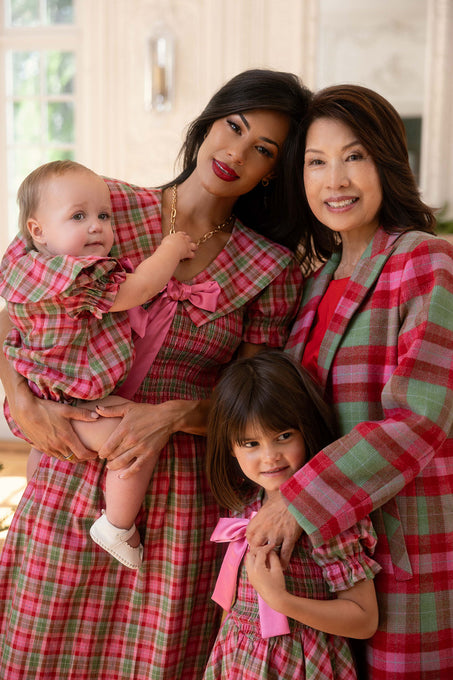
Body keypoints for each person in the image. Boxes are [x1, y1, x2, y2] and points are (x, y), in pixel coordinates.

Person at [0, 69, 311, 680]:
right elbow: (18, 303)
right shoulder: (103, 207)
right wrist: (23, 403)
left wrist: (168, 414)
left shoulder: (272, 268)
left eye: (263, 150)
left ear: (273, 172)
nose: (236, 153)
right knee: (39, 649)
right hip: (74, 466)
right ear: (208, 123)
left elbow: (249, 404)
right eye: (233, 127)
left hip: (183, 499)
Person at [245, 84, 453, 679]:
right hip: (327, 561)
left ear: (387, 161)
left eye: (354, 156)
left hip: (402, 544)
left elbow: (421, 419)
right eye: (317, 162)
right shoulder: (315, 284)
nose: (334, 179)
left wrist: (297, 500)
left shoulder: (425, 260)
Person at [0, 159, 197, 569]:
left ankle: (33, 500)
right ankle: (117, 526)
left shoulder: (29, 271)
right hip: (69, 401)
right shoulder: (74, 276)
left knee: (47, 451)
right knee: (131, 447)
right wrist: (171, 249)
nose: (96, 226)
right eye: (78, 216)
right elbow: (139, 288)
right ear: (38, 232)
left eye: (103, 216)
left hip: (49, 393)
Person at [204, 351, 380, 680]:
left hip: (301, 664)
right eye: (251, 443)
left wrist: (280, 600)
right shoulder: (246, 500)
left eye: (284, 436)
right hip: (237, 660)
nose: (270, 457)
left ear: (305, 428)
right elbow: (233, 602)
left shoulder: (326, 514)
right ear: (230, 447)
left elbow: (364, 619)